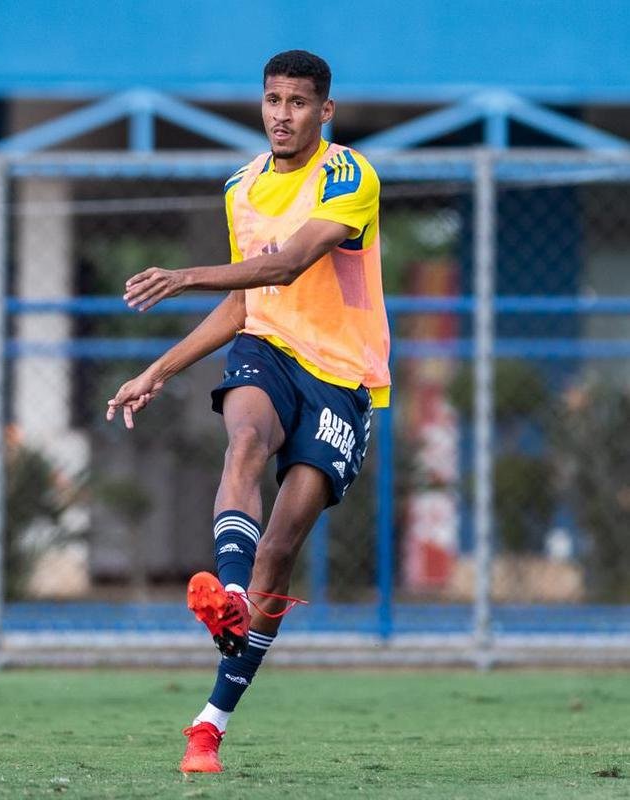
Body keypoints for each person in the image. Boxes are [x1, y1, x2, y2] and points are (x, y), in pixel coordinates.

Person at [105, 50, 389, 773]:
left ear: (324, 111)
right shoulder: (240, 187)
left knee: (281, 550)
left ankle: (211, 722)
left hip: (340, 380)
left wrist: (184, 276)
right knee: (245, 442)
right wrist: (156, 371)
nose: (281, 115)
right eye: (272, 100)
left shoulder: (348, 176)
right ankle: (227, 593)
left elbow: (286, 265)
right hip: (266, 349)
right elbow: (243, 305)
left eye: (298, 102)